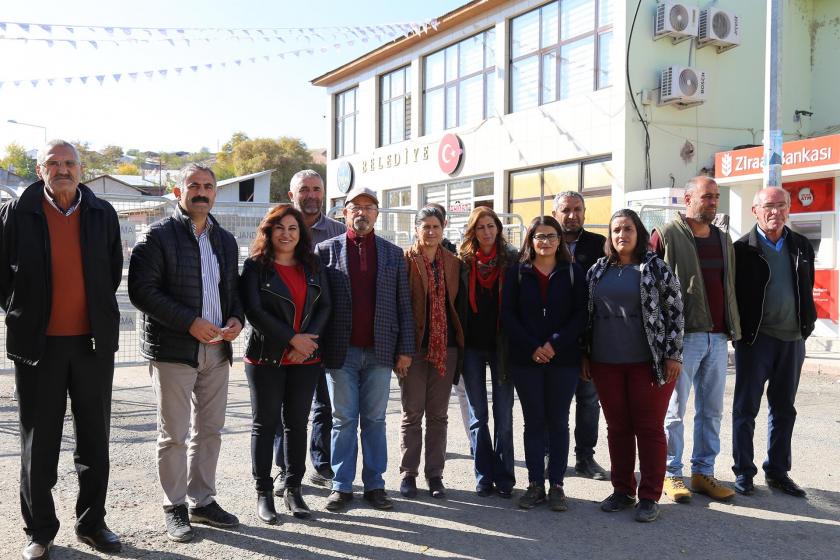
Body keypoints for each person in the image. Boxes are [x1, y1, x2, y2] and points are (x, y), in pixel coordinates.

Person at [0, 140, 124, 559]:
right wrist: (25, 314)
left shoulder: (101, 213)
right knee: (40, 443)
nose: (63, 170)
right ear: (40, 170)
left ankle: (92, 524)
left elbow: (110, 271)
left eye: (69, 163)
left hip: (91, 345)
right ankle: (39, 531)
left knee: (95, 440)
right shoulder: (17, 212)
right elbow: (2, 276)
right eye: (54, 163)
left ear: (81, 168)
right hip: (38, 348)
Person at [128, 163, 244, 542]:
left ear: (214, 193)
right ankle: (174, 505)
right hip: (174, 350)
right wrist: (189, 321)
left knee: (209, 431)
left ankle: (202, 500)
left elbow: (234, 291)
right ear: (178, 192)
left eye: (208, 186)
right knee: (174, 434)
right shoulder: (157, 237)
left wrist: (237, 319)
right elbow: (142, 292)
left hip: (217, 350)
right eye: (193, 185)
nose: (201, 192)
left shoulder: (224, 240)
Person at [315, 186, 414, 512]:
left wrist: (405, 349)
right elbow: (317, 305)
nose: (362, 212)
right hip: (339, 352)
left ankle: (375, 485)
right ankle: (342, 486)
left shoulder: (392, 253)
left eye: (369, 207)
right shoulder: (325, 251)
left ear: (376, 214)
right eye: (355, 207)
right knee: (343, 420)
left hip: (380, 351)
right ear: (344, 213)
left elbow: (404, 304)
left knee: (374, 419)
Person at [584, 209, 683, 523]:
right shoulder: (598, 270)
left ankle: (650, 496)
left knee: (649, 428)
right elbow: (586, 317)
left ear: (638, 232)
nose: (621, 235)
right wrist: (585, 355)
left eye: (627, 229)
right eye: (615, 230)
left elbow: (676, 313)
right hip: (605, 361)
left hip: (648, 362)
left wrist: (673, 354)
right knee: (618, 429)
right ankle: (622, 490)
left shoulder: (655, 268)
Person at [240, 204, 332, 523]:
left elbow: (325, 306)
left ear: (300, 233)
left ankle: (293, 489)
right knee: (265, 425)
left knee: (297, 424)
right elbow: (254, 311)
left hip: (306, 358)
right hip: (266, 357)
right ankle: (264, 493)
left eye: (293, 228)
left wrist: (306, 343)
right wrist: (291, 339)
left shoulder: (312, 264)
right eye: (279, 228)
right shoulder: (255, 266)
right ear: (268, 231)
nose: (287, 234)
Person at [650, 177, 740, 503]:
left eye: (716, 196)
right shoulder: (666, 235)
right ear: (688, 198)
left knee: (711, 411)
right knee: (674, 410)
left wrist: (732, 328)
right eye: (707, 196)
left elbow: (728, 287)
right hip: (683, 338)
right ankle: (671, 474)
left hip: (717, 337)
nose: (713, 201)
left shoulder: (723, 238)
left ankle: (703, 473)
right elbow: (649, 288)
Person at [731, 187, 816, 498]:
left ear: (789, 210)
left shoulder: (801, 246)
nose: (775, 212)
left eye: (781, 206)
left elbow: (806, 288)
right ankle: (743, 472)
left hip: (792, 340)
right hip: (756, 341)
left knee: (784, 410)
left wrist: (807, 324)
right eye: (768, 206)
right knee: (746, 409)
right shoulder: (742, 249)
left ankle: (778, 471)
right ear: (755, 210)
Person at [501, 216, 587, 512]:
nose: (545, 242)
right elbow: (508, 315)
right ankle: (535, 483)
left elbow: (580, 316)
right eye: (539, 236)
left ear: (559, 240)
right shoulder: (517, 274)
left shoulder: (574, 272)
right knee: (534, 422)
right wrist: (533, 347)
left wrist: (553, 345)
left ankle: (557, 485)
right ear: (530, 240)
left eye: (551, 236)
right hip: (526, 360)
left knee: (559, 422)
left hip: (564, 360)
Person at [272, 170, 344, 495]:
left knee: (324, 405)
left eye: (317, 189)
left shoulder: (338, 232)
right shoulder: (277, 230)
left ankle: (321, 464)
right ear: (292, 194)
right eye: (305, 189)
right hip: (285, 336)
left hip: (325, 335)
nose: (311, 194)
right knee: (284, 408)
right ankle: (282, 470)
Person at [399, 206, 464, 499]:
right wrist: (401, 349)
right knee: (412, 413)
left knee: (438, 415)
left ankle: (435, 475)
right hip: (413, 348)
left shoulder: (453, 262)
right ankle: (408, 474)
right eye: (425, 226)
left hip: (445, 348)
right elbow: (398, 306)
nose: (430, 232)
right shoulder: (404, 260)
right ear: (416, 229)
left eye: (435, 226)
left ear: (443, 228)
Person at [457, 206, 518, 498]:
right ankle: (483, 474)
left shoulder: (512, 260)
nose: (487, 232)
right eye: (480, 227)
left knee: (503, 413)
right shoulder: (463, 262)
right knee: (478, 414)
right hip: (471, 347)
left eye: (491, 226)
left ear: (498, 229)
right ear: (473, 231)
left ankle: (505, 476)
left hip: (503, 346)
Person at [553, 191, 608, 480]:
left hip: (589, 339)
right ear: (555, 213)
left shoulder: (599, 246)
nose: (572, 215)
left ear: (585, 213)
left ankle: (585, 458)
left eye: (578, 209)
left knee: (588, 401)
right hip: (552, 339)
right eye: (566, 210)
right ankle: (552, 456)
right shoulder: (545, 241)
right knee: (554, 402)